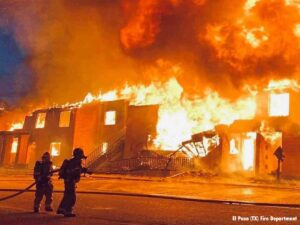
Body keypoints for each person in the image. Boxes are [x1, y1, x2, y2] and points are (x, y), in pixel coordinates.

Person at [57, 148, 89, 217]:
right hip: (70, 181)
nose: (81, 158)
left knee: (67, 195)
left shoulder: (74, 162)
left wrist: (82, 170)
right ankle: (68, 211)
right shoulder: (74, 163)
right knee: (72, 197)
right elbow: (72, 171)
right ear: (78, 155)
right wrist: (81, 170)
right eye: (81, 156)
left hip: (69, 181)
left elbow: (75, 171)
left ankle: (61, 209)